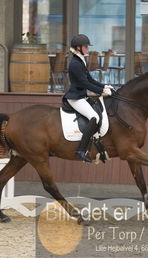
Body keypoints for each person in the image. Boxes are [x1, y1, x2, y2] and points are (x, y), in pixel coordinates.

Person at [63, 34, 113, 163]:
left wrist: (104, 86)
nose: (87, 49)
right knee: (94, 117)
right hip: (75, 98)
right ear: (78, 47)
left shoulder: (81, 60)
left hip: (81, 96)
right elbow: (84, 83)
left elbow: (90, 79)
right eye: (85, 46)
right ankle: (80, 149)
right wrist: (101, 91)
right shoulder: (75, 63)